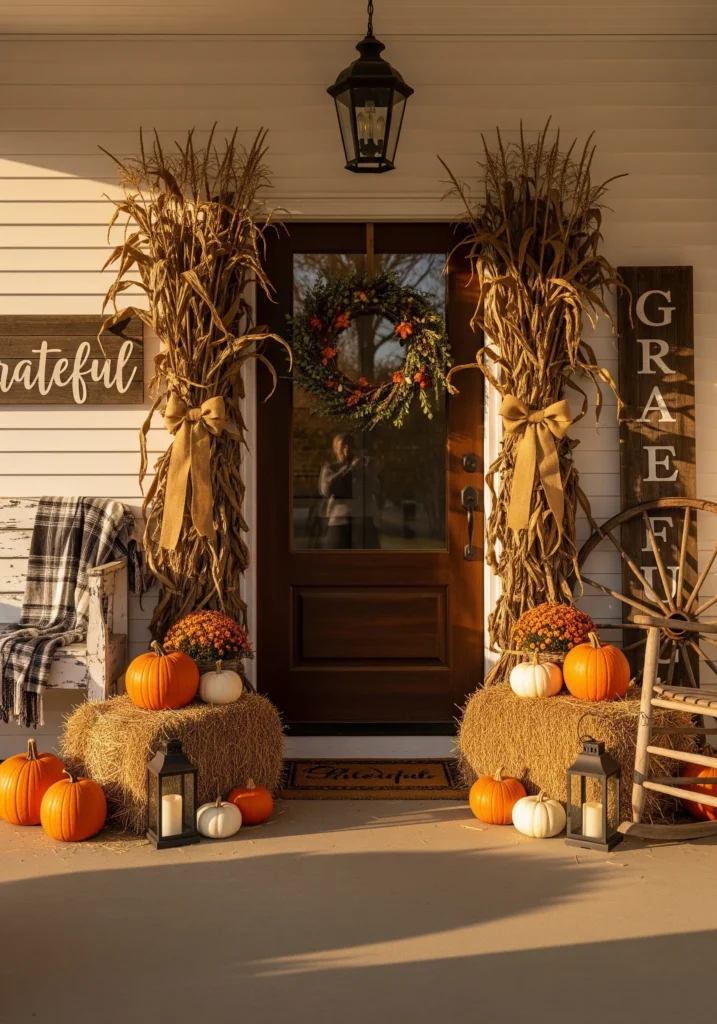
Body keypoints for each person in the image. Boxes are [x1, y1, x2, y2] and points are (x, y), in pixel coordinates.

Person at [319, 433, 381, 548]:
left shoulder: (363, 468)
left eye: (351, 445)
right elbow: (326, 490)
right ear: (335, 449)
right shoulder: (330, 469)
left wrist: (365, 471)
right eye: (343, 445)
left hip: (364, 519)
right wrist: (350, 469)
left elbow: (376, 488)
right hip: (339, 520)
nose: (347, 449)